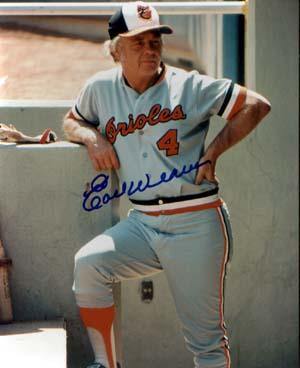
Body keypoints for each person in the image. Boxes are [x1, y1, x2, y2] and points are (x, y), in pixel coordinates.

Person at [63, 2, 271, 368]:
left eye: (155, 39)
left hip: (196, 222)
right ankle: (106, 364)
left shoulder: (188, 85)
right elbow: (71, 121)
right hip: (142, 223)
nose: (150, 48)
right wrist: (91, 137)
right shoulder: (99, 89)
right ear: (116, 50)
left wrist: (214, 150)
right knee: (89, 265)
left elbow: (256, 104)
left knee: (206, 343)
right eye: (139, 41)